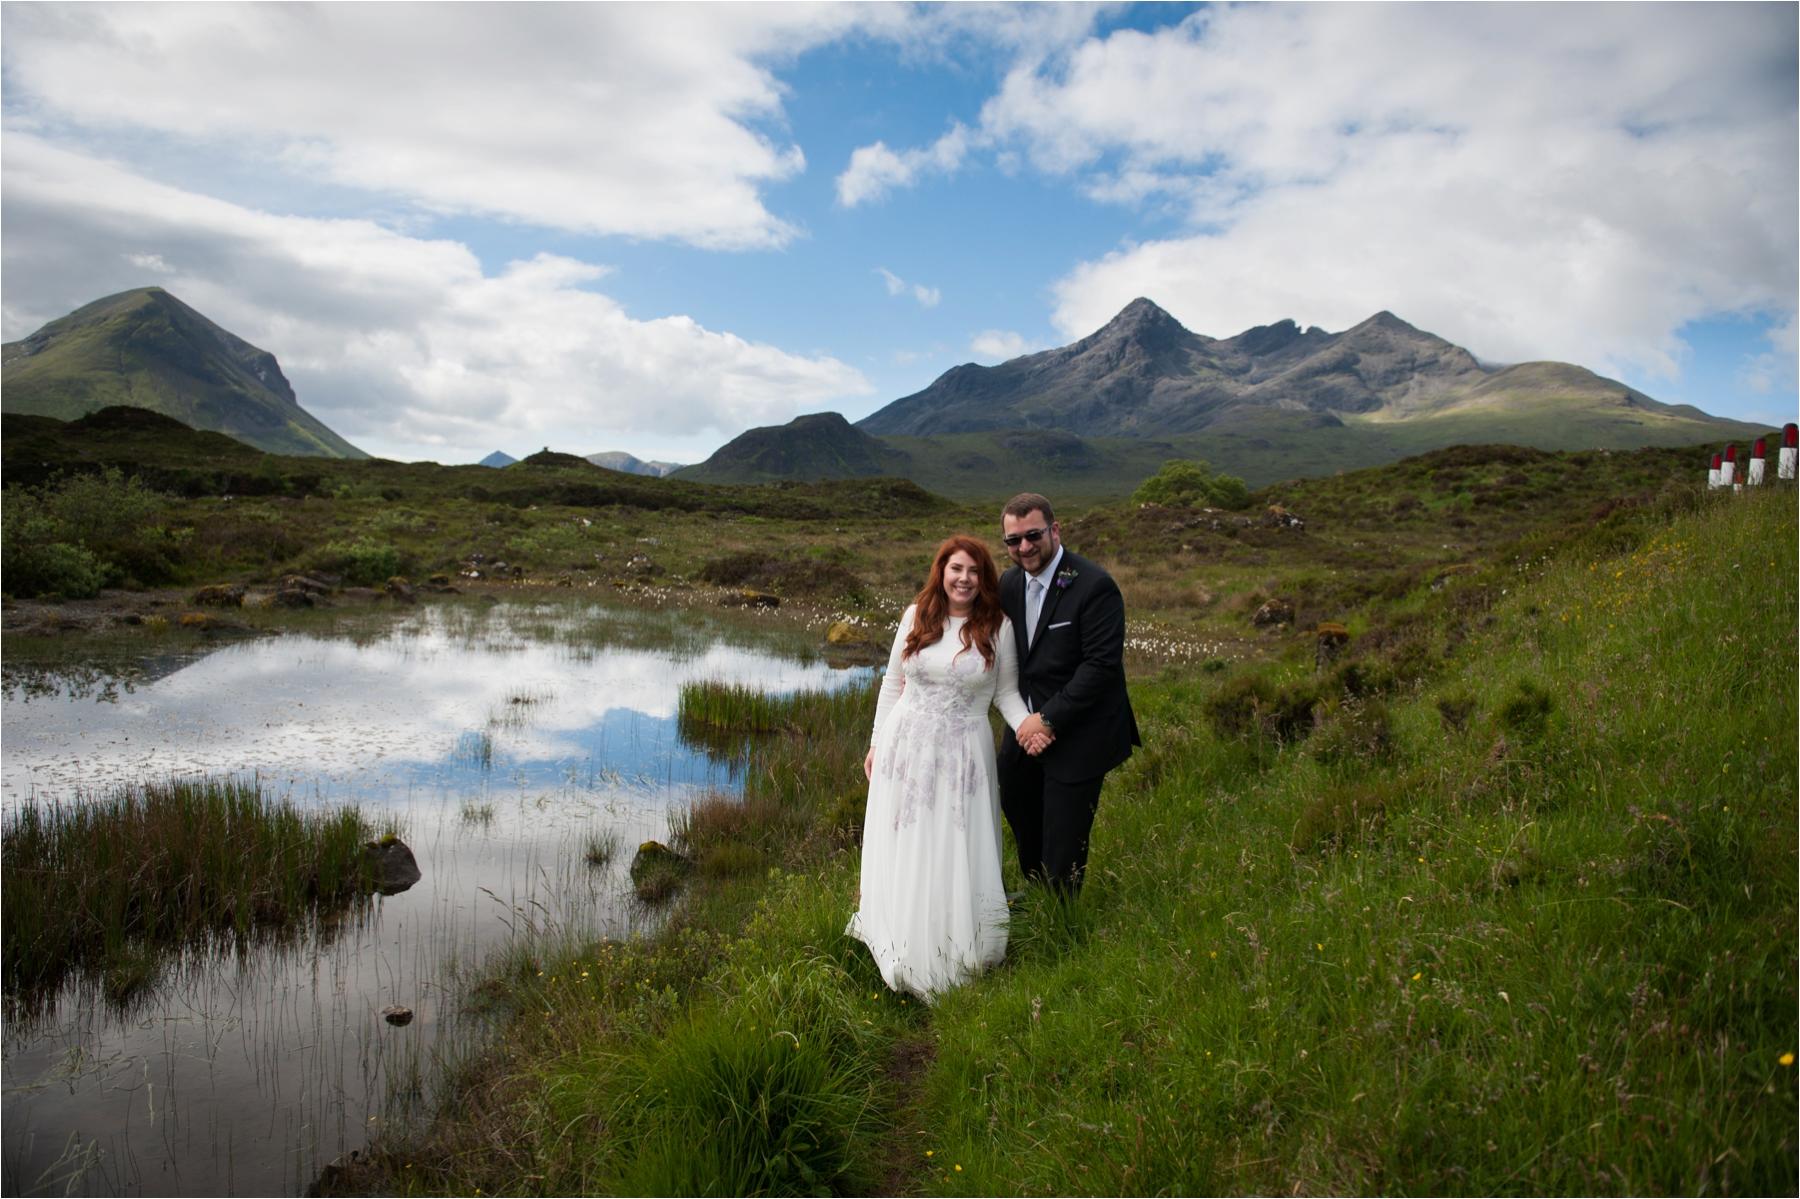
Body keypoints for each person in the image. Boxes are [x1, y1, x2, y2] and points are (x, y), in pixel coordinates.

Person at [848, 535, 1048, 1000]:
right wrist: (877, 743)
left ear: (984, 579)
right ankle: (901, 934)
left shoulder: (997, 626)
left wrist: (1029, 729)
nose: (964, 579)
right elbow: (892, 683)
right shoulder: (916, 616)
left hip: (963, 755)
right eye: (956, 569)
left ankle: (953, 946)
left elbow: (1006, 696)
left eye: (974, 571)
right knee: (908, 841)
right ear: (941, 572)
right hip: (906, 750)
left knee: (953, 845)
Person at [996, 492, 1140, 896]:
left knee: (1064, 836)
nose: (1024, 547)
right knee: (1016, 798)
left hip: (1082, 731)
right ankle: (1037, 888)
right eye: (1013, 540)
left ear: (1055, 530)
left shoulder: (1095, 586)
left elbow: (1100, 667)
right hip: (1025, 726)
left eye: (1033, 535)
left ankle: (1061, 920)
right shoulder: (1008, 583)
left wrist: (1048, 719)